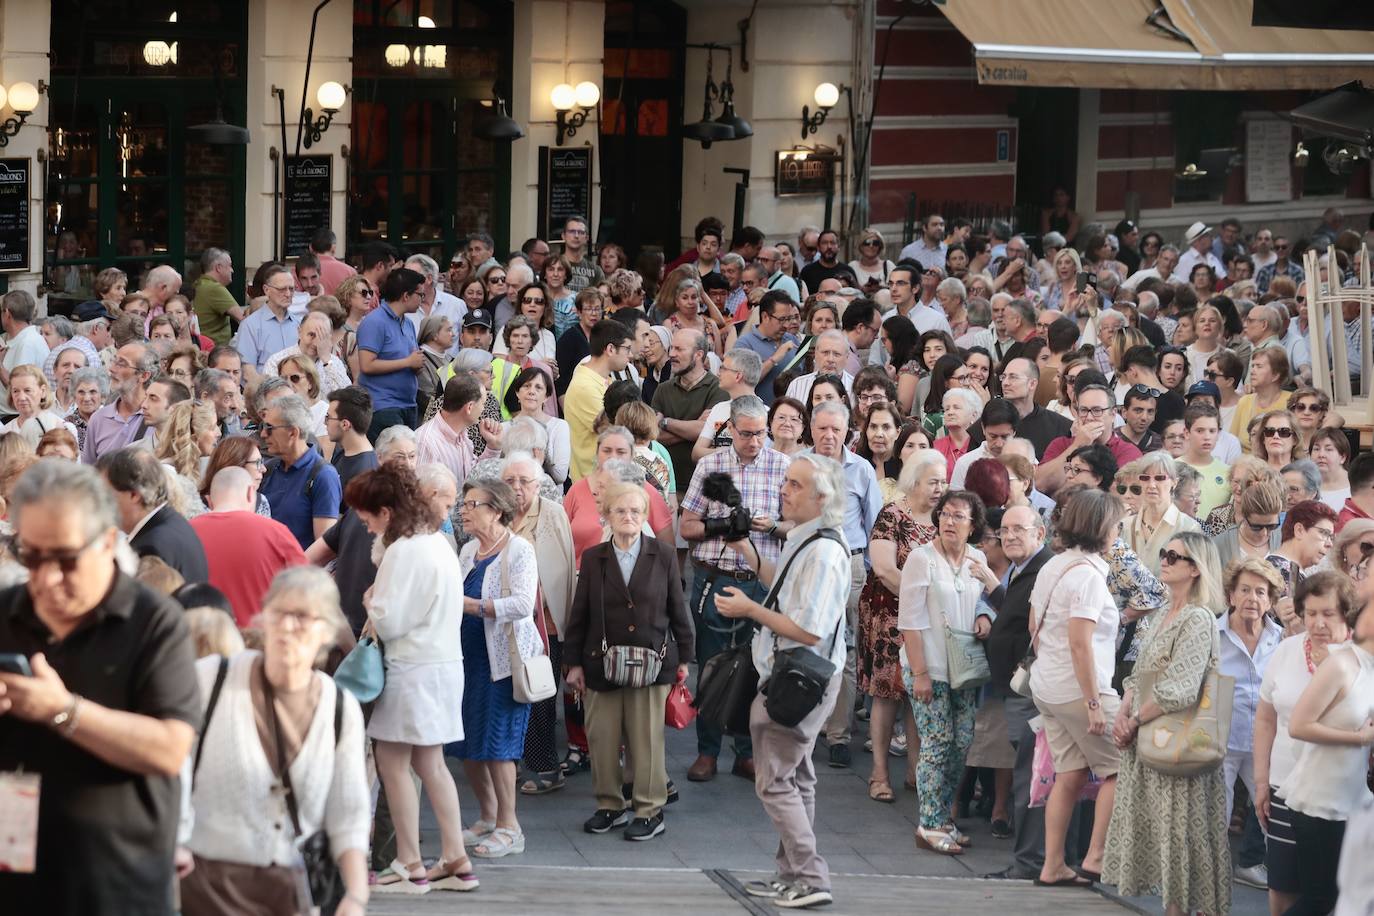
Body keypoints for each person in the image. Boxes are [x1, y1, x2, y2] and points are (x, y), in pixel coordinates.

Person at [0, 460, 199, 913]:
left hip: (116, 887)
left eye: (66, 560)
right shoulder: (6, 612)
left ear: (108, 542)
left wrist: (63, 711)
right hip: (14, 881)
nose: (47, 578)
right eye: (30, 556)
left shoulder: (154, 622)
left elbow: (170, 748)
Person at [180, 567, 370, 914]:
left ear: (327, 631)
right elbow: (172, 770)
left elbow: (350, 813)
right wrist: (173, 842)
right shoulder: (210, 680)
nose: (286, 627)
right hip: (205, 887)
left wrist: (355, 895)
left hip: (293, 893)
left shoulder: (340, 708)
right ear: (262, 618)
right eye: (278, 613)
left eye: (301, 617)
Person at [713, 453, 852, 910]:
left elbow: (808, 628)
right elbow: (783, 589)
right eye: (786, 482)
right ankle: (791, 872)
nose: (783, 490)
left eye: (794, 484)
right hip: (795, 676)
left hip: (798, 681)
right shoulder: (807, 540)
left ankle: (811, 877)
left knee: (775, 782)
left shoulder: (826, 552)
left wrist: (749, 611)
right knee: (798, 779)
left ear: (821, 498)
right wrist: (746, 552)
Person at [342, 465, 476, 894]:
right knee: (429, 763)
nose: (364, 524)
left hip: (412, 668)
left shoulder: (404, 551)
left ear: (385, 511)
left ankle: (409, 862)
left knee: (394, 762)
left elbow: (390, 620)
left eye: (367, 516)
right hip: (441, 665)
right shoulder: (436, 542)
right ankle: (454, 858)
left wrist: (370, 599)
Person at [1103, 530, 1231, 916]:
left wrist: (1133, 719)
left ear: (1196, 569)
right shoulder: (1161, 613)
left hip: (1177, 743)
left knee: (1181, 836)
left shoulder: (1198, 618)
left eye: (1174, 556)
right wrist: (1124, 714)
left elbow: (1181, 688)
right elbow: (1139, 675)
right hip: (1148, 738)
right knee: (1164, 838)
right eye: (1164, 553)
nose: (1165, 560)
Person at [563, 482, 693, 840]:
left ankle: (649, 809)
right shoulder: (594, 558)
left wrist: (684, 657)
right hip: (600, 663)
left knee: (646, 739)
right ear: (607, 515)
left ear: (646, 516)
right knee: (602, 737)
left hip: (652, 664)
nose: (629, 517)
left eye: (636, 511)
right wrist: (572, 663)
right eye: (620, 510)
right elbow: (580, 613)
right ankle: (609, 806)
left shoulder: (664, 555)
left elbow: (677, 610)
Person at [680, 395, 790, 783]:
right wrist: (722, 525)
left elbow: (798, 528)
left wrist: (769, 527)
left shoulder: (782, 466)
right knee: (711, 666)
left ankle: (746, 751)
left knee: (755, 666)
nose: (755, 441)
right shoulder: (711, 465)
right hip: (715, 577)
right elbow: (687, 527)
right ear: (729, 430)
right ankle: (706, 752)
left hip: (758, 581)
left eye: (761, 433)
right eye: (747, 434)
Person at [1024, 488, 1125, 887]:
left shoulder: (1054, 565)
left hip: (1047, 684)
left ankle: (1053, 864)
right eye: (1117, 524)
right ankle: (1096, 856)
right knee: (1123, 767)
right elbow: (1080, 642)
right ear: (1102, 527)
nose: (1119, 531)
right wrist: (1093, 703)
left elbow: (1035, 624)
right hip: (1078, 689)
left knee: (1070, 772)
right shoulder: (1089, 576)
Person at [900, 488, 999, 855]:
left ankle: (944, 818)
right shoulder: (920, 559)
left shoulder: (977, 557)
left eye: (959, 516)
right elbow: (909, 621)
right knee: (937, 743)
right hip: (930, 666)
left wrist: (984, 617)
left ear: (973, 525)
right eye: (945, 514)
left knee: (962, 744)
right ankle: (929, 823)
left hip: (965, 666)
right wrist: (921, 673)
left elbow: (985, 600)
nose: (949, 521)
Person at [1254, 572, 1359, 914]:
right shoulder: (1286, 651)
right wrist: (1260, 781)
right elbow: (1266, 719)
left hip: (1340, 796)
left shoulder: (1361, 660)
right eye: (1310, 613)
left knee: (1331, 896)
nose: (1318, 623)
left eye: (1328, 614)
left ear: (1347, 614)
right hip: (1285, 786)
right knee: (1282, 889)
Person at [451, 478, 540, 859]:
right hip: (467, 660)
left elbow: (522, 604)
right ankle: (487, 818)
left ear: (496, 511)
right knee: (469, 744)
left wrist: (472, 606)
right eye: (464, 504)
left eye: (472, 505)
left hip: (503, 663)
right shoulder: (469, 550)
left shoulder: (519, 550)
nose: (463, 511)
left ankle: (510, 826)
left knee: (499, 746)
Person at [1279, 588, 1374, 915]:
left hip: (1350, 801)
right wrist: (1360, 738)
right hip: (1318, 802)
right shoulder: (1343, 664)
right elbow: (1299, 725)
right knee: (1320, 902)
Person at [859, 452, 945, 802]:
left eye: (943, 481)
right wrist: (923, 601)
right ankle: (879, 772)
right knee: (887, 692)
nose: (940, 488)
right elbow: (883, 568)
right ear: (914, 482)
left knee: (917, 694)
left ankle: (914, 770)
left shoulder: (945, 517)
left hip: (929, 620)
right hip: (889, 616)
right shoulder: (893, 515)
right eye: (933, 481)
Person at [809, 401, 883, 766]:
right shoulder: (800, 468)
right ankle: (807, 729)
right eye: (822, 428)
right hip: (809, 563)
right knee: (808, 645)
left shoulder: (862, 470)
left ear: (847, 433)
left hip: (851, 563)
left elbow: (876, 526)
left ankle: (838, 735)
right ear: (812, 429)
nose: (829, 435)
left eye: (836, 429)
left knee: (847, 651)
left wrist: (866, 570)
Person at [499, 454, 576, 796]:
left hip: (544, 625)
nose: (517, 488)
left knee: (540, 695)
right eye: (510, 481)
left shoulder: (551, 512)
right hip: (503, 623)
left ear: (537, 484)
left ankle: (545, 767)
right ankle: (509, 762)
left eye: (524, 482)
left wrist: (538, 599)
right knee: (507, 695)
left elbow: (562, 568)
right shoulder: (495, 512)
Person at [191, 467, 306, 626]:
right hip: (260, 641)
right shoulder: (277, 533)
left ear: (210, 501)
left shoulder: (187, 532)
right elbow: (308, 591)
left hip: (201, 640)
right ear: (250, 493)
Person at [96, 445, 209, 581]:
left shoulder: (152, 547)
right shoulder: (171, 522)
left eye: (105, 493)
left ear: (134, 494)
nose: (100, 502)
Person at [258, 394, 342, 549]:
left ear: (293, 433)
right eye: (262, 427)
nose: (263, 434)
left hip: (297, 570)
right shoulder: (268, 469)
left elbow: (323, 548)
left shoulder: (323, 476)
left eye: (269, 428)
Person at [357, 267, 424, 437]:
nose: (422, 300)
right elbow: (366, 365)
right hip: (383, 406)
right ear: (406, 296)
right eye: (420, 295)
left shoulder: (408, 323)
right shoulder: (375, 322)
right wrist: (407, 362)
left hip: (408, 404)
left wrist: (416, 365)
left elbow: (410, 359)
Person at [565, 319, 633, 482]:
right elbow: (621, 432)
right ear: (610, 349)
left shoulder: (603, 380)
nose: (630, 355)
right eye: (627, 349)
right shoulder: (585, 386)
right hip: (592, 484)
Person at [1118, 451, 1202, 577]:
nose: (1151, 485)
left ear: (1174, 482)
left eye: (1160, 478)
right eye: (1145, 478)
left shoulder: (1189, 528)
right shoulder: (1124, 526)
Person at [1215, 475, 1286, 573]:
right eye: (1256, 527)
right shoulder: (1220, 544)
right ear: (1244, 517)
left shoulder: (1284, 540)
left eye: (1272, 526)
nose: (1264, 533)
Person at [1308, 427, 1351, 512]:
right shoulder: (1305, 483)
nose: (1321, 455)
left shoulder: (1356, 485)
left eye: (1329, 449)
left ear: (1343, 457)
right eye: (1316, 449)